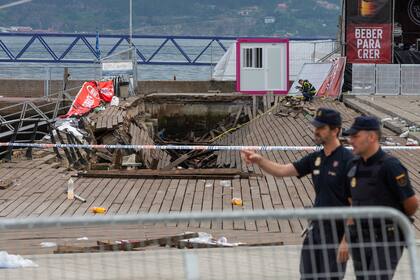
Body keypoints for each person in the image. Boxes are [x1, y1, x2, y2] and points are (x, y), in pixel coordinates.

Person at [241, 108, 352, 280]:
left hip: (336, 234)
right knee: (306, 276)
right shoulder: (316, 158)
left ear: (335, 130)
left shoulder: (349, 160)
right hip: (315, 230)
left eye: (321, 128)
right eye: (316, 126)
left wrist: (346, 240)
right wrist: (259, 160)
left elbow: (357, 204)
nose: (316, 131)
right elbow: (282, 171)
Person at [343, 116, 419, 279]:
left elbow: (410, 204)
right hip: (360, 236)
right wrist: (346, 238)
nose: (351, 141)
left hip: (386, 238)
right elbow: (351, 201)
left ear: (371, 137)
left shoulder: (390, 166)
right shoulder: (353, 165)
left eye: (356, 136)